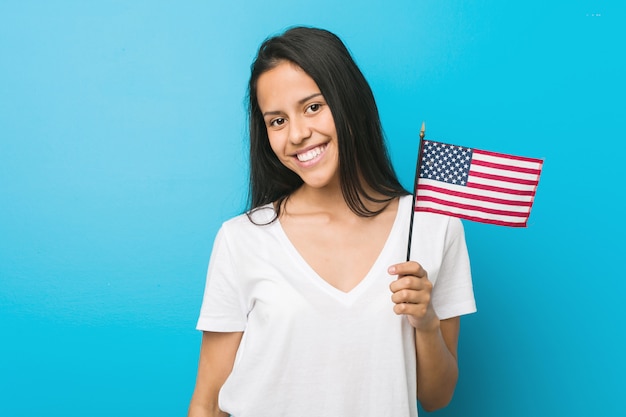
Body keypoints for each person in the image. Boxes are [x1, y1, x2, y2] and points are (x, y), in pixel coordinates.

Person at [188, 26, 476, 417]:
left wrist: (425, 323)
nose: (298, 134)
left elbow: (437, 396)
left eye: (313, 107)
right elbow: (208, 402)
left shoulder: (433, 227)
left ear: (349, 103)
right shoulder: (242, 240)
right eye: (277, 121)